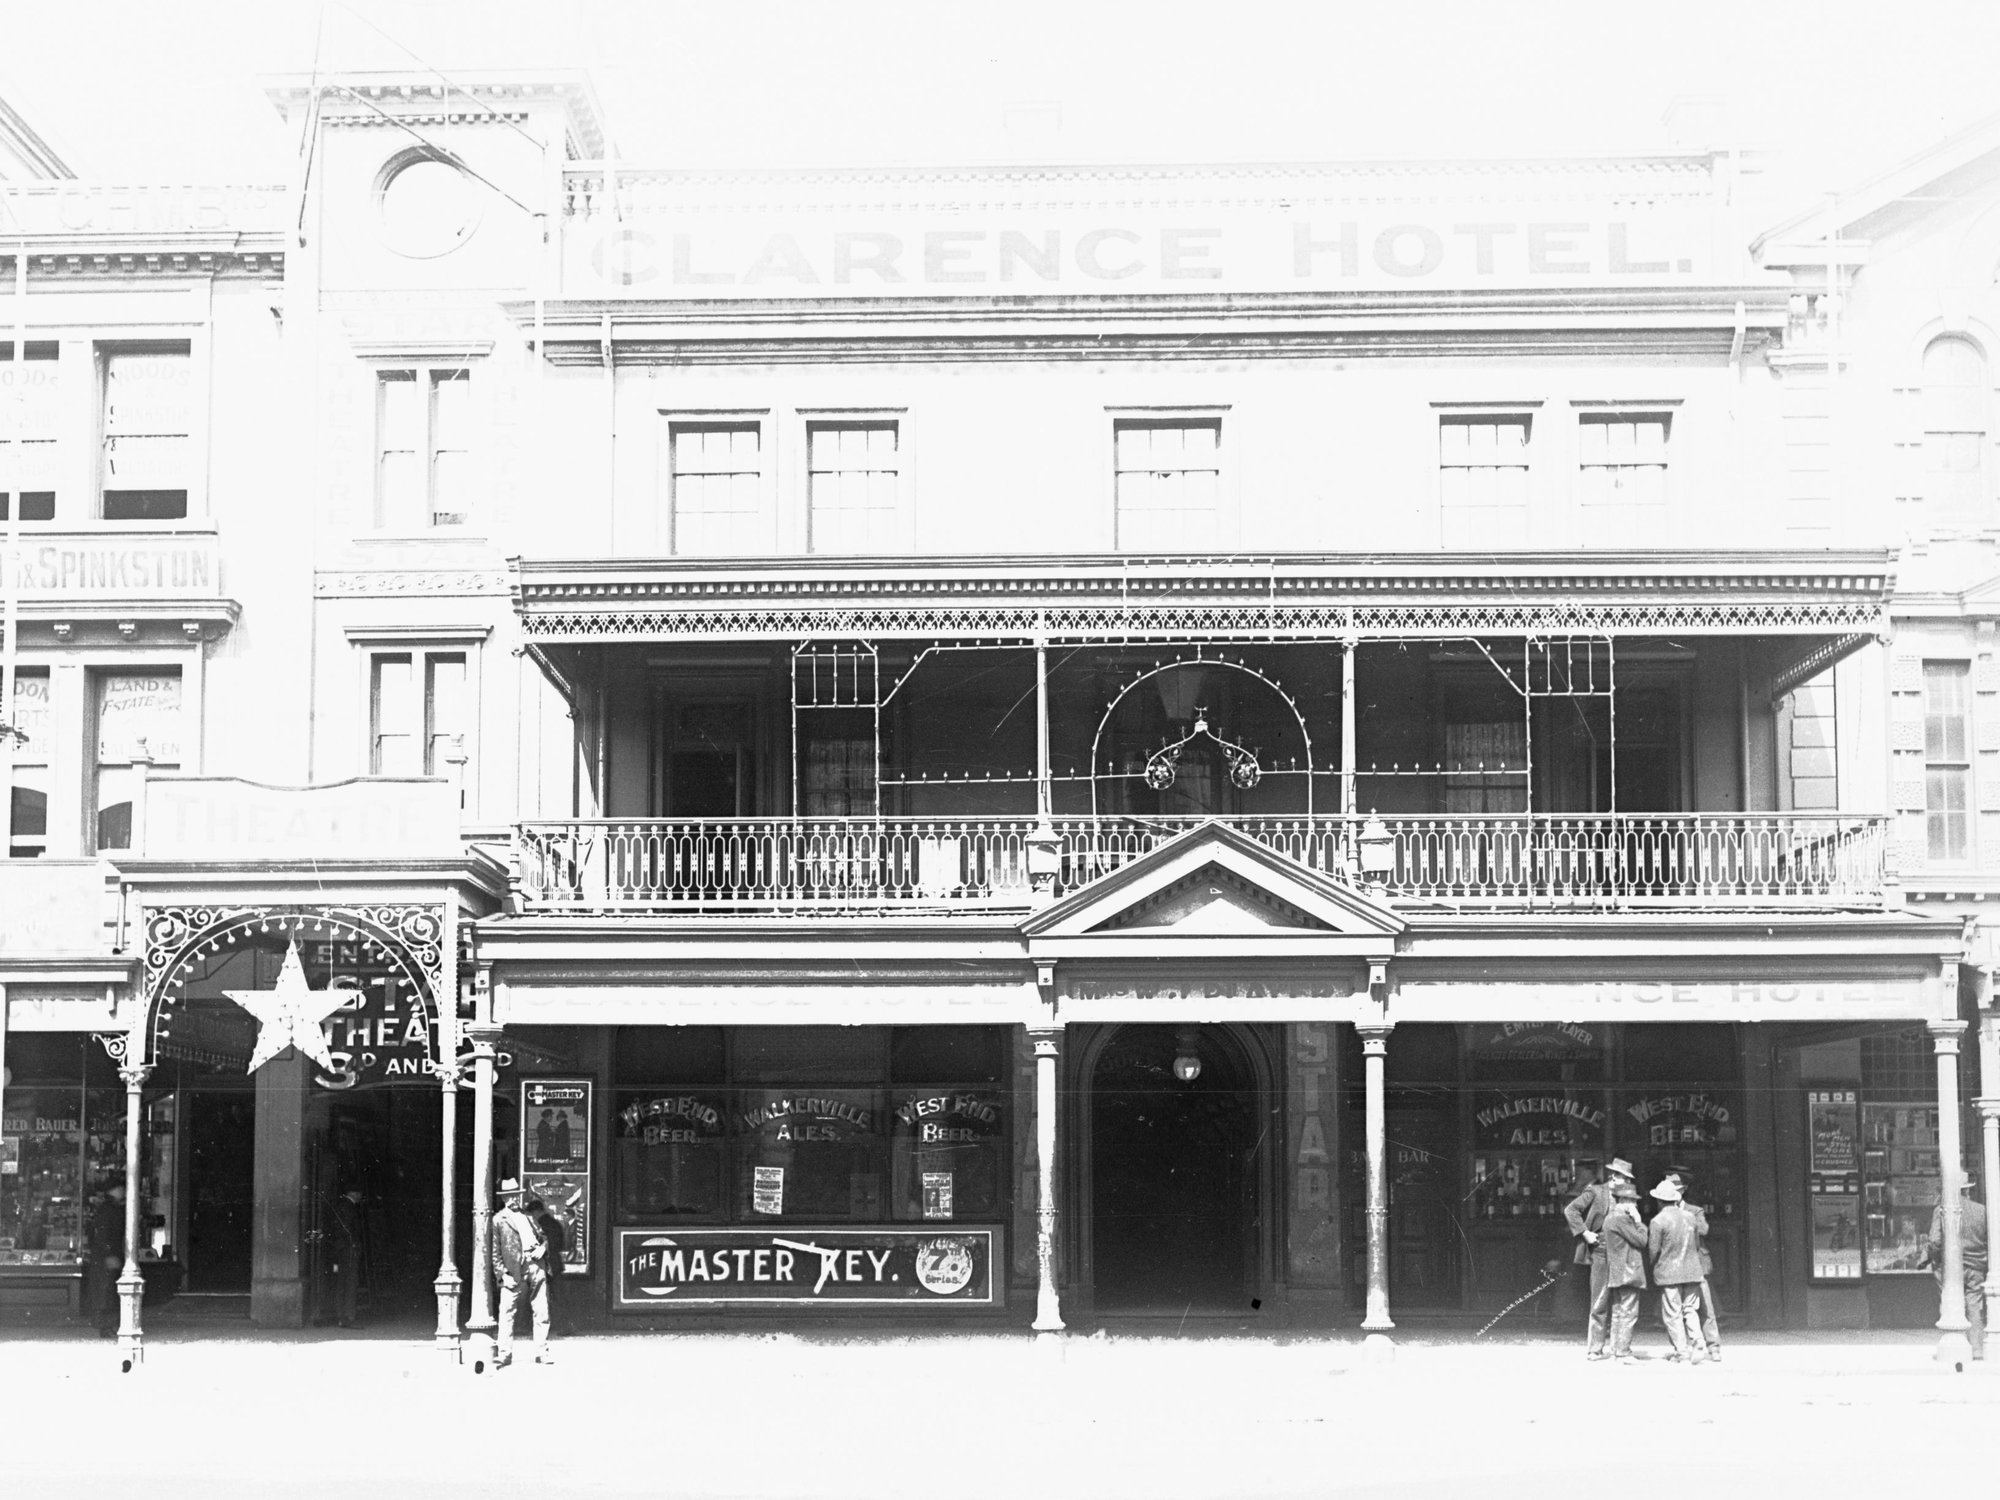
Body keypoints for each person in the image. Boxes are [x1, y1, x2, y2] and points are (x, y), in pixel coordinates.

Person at [1563, 1156, 1636, 1359]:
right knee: (1600, 1300)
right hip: (1601, 1249)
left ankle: (1620, 1350)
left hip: (1622, 1251)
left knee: (1622, 1301)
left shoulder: (1628, 1195)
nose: (1619, 1180)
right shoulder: (1595, 1191)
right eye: (1618, 1175)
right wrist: (1585, 1233)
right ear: (1612, 1175)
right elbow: (1570, 1210)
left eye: (1625, 1178)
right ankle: (1595, 1349)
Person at [1925, 1173, 1988, 1361]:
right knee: (1974, 1305)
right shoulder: (1981, 1210)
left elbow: (1935, 1241)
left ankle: (1955, 1344)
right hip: (1976, 1265)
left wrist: (1936, 1261)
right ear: (1967, 1189)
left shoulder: (1942, 1210)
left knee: (1952, 1303)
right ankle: (1976, 1349)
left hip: (1951, 1268)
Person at [492, 1177, 552, 1368]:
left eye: (515, 1195)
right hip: (513, 1270)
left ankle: (542, 1352)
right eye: (509, 1196)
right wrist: (502, 1275)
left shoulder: (528, 1216)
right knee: (507, 1310)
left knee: (541, 1310)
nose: (513, 1199)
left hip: (536, 1265)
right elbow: (495, 1252)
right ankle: (504, 1353)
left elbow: (543, 1237)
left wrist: (543, 1248)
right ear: (503, 1198)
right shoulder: (498, 1220)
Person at [1665, 1163, 1722, 1362]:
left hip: (1697, 1263)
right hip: (1676, 1265)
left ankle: (1714, 1347)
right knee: (1675, 1310)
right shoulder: (1664, 1210)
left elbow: (1704, 1230)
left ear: (1683, 1191)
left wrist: (1683, 1217)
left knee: (1706, 1306)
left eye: (1676, 1191)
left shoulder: (1694, 1210)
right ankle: (1681, 1348)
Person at [1647, 1178, 1707, 1364]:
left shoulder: (1657, 1221)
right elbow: (1697, 1244)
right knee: (1690, 1310)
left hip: (1669, 1273)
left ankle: (1681, 1352)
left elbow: (1653, 1250)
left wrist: (1654, 1266)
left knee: (1673, 1314)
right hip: (1692, 1270)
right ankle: (1698, 1344)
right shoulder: (1689, 1216)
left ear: (1658, 1201)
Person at [1601, 1179, 1650, 1364]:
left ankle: (1615, 1351)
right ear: (1624, 1202)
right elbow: (1641, 1241)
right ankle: (1623, 1352)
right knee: (1628, 1313)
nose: (1636, 1204)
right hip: (1628, 1271)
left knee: (1618, 1312)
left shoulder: (1610, 1218)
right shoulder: (1622, 1219)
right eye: (1633, 1201)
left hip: (1617, 1271)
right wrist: (1639, 1222)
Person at [328, 1188, 366, 1329]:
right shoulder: (348, 1207)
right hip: (348, 1250)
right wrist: (354, 1244)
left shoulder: (342, 1205)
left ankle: (342, 1316)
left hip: (341, 1250)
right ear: (355, 1193)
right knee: (350, 1283)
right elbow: (348, 1229)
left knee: (342, 1283)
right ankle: (347, 1316)